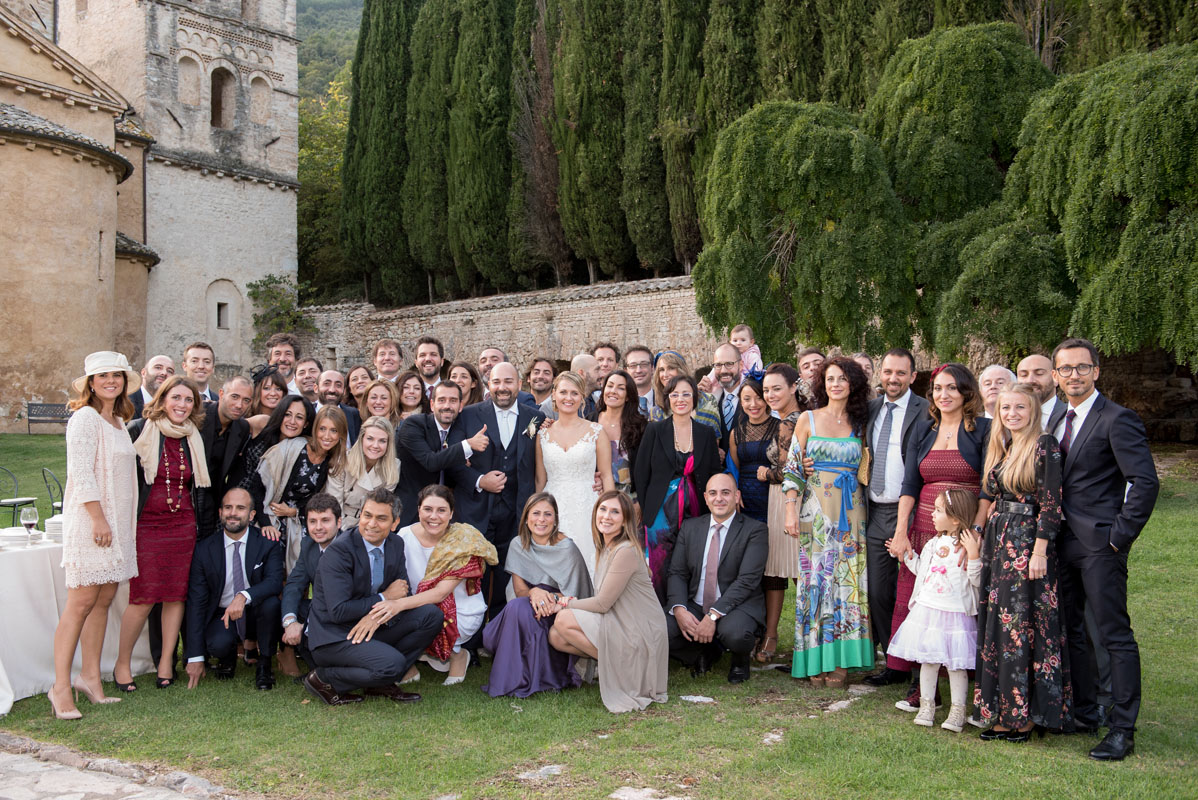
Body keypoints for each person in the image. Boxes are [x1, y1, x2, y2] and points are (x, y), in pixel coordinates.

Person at [1051, 338, 1158, 761]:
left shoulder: (1118, 419)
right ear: (1056, 376)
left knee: (1113, 635)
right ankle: (1085, 711)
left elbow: (1145, 482)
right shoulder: (1057, 419)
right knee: (1073, 630)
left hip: (1100, 544)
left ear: (1096, 371)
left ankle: (1122, 728)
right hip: (1060, 542)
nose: (1073, 375)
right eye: (1066, 369)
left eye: (1081, 368)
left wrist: (1118, 537)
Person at [885, 363, 990, 711]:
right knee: (922, 607)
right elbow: (910, 484)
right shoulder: (923, 429)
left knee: (960, 606)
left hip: (966, 531)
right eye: (938, 389)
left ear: (966, 393)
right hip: (925, 528)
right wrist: (902, 532)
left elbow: (989, 488)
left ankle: (969, 687)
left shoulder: (983, 430)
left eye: (952, 389)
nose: (943, 395)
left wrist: (973, 533)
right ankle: (923, 686)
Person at [973, 383, 1071, 741]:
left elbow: (1051, 504)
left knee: (1021, 628)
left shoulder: (1044, 445)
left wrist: (1040, 551)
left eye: (1020, 408)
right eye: (1005, 408)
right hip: (1000, 544)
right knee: (1000, 626)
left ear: (1033, 412)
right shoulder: (1004, 446)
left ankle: (1024, 716)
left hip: (1028, 545)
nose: (1012, 414)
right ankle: (1003, 709)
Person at [49, 352, 141, 719]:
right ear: (90, 382)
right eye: (101, 376)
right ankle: (60, 688)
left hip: (116, 525)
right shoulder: (84, 419)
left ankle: (90, 678)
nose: (109, 381)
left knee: (103, 600)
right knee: (81, 603)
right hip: (92, 522)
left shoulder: (117, 420)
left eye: (115, 375)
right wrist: (98, 519)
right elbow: (82, 474)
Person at [302, 488, 442, 706]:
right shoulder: (339, 552)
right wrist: (383, 598)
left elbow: (402, 591)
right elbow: (339, 611)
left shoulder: (396, 544)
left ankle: (379, 683)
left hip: (371, 626)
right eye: (367, 515)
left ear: (394, 523)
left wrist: (375, 616)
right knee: (393, 665)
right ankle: (324, 679)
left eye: (381, 518)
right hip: (335, 636)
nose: (371, 524)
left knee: (430, 615)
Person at [782, 356, 873, 688]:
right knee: (815, 584)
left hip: (851, 514)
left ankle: (842, 663)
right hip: (814, 512)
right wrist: (790, 509)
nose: (836, 384)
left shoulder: (862, 423)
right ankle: (816, 659)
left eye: (843, 379)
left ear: (854, 385)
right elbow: (792, 469)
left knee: (847, 584)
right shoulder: (807, 419)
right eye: (831, 378)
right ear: (823, 383)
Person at [116, 375, 210, 690]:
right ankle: (122, 663)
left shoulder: (192, 436)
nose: (181, 405)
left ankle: (167, 660)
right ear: (162, 399)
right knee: (142, 597)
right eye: (176, 398)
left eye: (188, 400)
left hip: (182, 525)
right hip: (146, 525)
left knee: (174, 595)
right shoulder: (139, 431)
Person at [549, 491, 668, 713]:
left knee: (564, 618)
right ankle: (620, 667)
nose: (607, 516)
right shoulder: (606, 548)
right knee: (556, 636)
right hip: (621, 621)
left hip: (640, 629)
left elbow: (603, 604)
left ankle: (627, 670)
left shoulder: (625, 551)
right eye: (603, 510)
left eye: (615, 512)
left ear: (625, 520)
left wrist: (565, 603)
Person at [456, 363, 546, 618]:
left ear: (519, 384)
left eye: (508, 381)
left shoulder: (535, 418)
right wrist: (479, 480)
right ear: (488, 385)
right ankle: (471, 633)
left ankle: (498, 624)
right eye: (496, 382)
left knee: (508, 568)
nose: (502, 388)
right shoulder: (469, 415)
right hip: (478, 507)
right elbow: (452, 461)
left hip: (516, 508)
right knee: (474, 570)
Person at [862, 349, 930, 688]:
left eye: (900, 373)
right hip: (875, 511)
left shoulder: (925, 411)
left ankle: (921, 664)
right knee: (878, 591)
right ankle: (894, 661)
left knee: (915, 590)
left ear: (912, 376)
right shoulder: (871, 409)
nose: (893, 378)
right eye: (888, 371)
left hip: (914, 511)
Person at [887, 489, 982, 732]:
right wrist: (906, 556)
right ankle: (927, 705)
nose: (932, 513)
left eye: (938, 510)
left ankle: (958, 710)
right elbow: (922, 570)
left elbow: (977, 580)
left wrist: (973, 555)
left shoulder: (967, 546)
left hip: (956, 614)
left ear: (956, 519)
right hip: (928, 611)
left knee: (955, 665)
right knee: (928, 661)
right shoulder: (932, 543)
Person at [482, 493, 594, 698]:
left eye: (547, 514)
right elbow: (520, 591)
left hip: (559, 609)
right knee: (516, 611)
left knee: (520, 611)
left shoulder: (567, 548)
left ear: (555, 520)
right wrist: (534, 592)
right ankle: (527, 679)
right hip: (530, 601)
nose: (541, 519)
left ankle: (521, 681)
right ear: (526, 518)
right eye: (536, 513)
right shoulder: (518, 544)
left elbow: (576, 593)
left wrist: (548, 600)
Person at [666, 474, 768, 684]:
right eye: (713, 493)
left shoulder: (755, 531)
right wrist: (679, 609)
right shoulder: (690, 527)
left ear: (737, 496)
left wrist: (713, 616)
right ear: (705, 497)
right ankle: (703, 652)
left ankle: (740, 659)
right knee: (659, 630)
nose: (719, 498)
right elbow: (677, 572)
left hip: (735, 605)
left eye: (726, 493)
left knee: (736, 634)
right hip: (696, 602)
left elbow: (747, 580)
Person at [392, 485, 497, 685]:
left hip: (459, 611)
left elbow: (440, 594)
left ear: (451, 513)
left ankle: (458, 655)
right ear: (418, 509)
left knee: (414, 616)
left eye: (441, 510)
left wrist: (397, 606)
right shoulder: (403, 536)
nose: (434, 516)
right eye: (428, 509)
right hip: (418, 605)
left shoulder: (463, 541)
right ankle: (409, 665)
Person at [182, 488, 284, 690]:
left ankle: (264, 664)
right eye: (228, 507)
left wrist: (244, 596)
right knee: (218, 644)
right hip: (223, 614)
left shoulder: (267, 543)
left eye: (240, 508)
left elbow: (274, 581)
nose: (233, 513)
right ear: (220, 512)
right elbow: (196, 603)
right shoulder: (204, 549)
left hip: (255, 611)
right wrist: (194, 656)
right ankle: (226, 657)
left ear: (252, 515)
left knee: (272, 604)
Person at [633, 374, 720, 602]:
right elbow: (641, 473)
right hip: (659, 510)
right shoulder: (654, 430)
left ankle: (686, 609)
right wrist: (645, 506)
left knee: (692, 559)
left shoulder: (706, 433)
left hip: (696, 510)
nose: (680, 399)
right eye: (674, 394)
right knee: (659, 563)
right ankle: (659, 612)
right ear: (667, 399)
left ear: (695, 398)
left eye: (686, 394)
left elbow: (713, 474)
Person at [535, 372, 615, 576]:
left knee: (589, 565)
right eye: (563, 392)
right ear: (554, 395)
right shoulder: (542, 434)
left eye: (574, 393)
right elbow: (540, 480)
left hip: (587, 507)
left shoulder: (596, 432)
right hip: (553, 507)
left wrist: (612, 513)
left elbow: (606, 476)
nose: (568, 398)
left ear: (581, 398)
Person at [259, 403, 347, 570]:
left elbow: (317, 500)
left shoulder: (332, 462)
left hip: (299, 520)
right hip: (270, 515)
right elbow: (258, 487)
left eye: (334, 431)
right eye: (322, 429)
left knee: (307, 559)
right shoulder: (294, 448)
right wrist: (266, 523)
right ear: (315, 429)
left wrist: (295, 512)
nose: (327, 436)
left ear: (341, 434)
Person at [757, 363, 804, 663]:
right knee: (776, 568)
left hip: (792, 498)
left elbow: (789, 470)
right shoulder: (783, 419)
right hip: (779, 500)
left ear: (793, 388)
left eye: (777, 388)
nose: (770, 394)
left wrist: (766, 474)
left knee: (799, 570)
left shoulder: (794, 421)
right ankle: (777, 636)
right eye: (766, 390)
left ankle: (785, 638)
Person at [395, 381, 489, 526]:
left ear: (461, 406)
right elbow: (430, 462)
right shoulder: (413, 425)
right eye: (441, 400)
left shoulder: (460, 431)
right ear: (432, 405)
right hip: (411, 514)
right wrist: (467, 446)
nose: (447, 406)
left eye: (453, 401)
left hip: (449, 515)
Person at [279, 492, 342, 676]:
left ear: (338, 523)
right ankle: (316, 668)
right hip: (321, 610)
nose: (318, 527)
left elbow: (338, 601)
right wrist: (290, 622)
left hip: (345, 615)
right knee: (288, 606)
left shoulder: (350, 547)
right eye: (313, 521)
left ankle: (332, 668)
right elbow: (294, 585)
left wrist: (305, 625)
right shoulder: (309, 545)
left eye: (325, 520)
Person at [195, 376, 252, 540]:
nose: (239, 405)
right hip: (186, 497)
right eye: (235, 397)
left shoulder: (242, 427)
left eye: (246, 400)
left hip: (211, 503)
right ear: (221, 394)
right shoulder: (198, 413)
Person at [328, 416, 400, 530]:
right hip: (338, 522)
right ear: (362, 439)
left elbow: (381, 505)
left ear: (389, 444)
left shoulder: (394, 466)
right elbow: (333, 503)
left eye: (382, 441)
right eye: (370, 439)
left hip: (369, 525)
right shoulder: (342, 461)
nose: (375, 445)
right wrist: (343, 534)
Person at [591, 369, 646, 502]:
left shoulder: (640, 426)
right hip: (596, 496)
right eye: (609, 386)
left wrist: (640, 503)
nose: (613, 391)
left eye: (621, 388)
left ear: (628, 396)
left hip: (631, 499)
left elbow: (646, 469)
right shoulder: (589, 422)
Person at [728, 378, 775, 526]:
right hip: (744, 502)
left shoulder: (780, 428)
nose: (753, 404)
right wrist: (734, 493)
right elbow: (735, 469)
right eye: (747, 399)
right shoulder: (735, 433)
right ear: (741, 403)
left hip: (772, 497)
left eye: (759, 398)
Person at [698, 342, 745, 452]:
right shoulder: (710, 401)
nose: (723, 370)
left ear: (741, 365)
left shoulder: (756, 398)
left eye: (729, 364)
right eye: (718, 365)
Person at [1016, 354, 1068, 434]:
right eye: (1024, 375)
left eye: (1039, 374)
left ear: (1055, 378)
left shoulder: (1069, 417)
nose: (1030, 380)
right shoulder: (1008, 418)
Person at [539, 353, 600, 420]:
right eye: (597, 370)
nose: (601, 374)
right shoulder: (548, 408)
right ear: (581, 373)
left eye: (575, 393)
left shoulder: (598, 401)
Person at [316, 369, 361, 445]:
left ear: (344, 391)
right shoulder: (308, 413)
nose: (332, 390)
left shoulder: (353, 414)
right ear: (316, 388)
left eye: (338, 385)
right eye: (327, 384)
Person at [623, 345, 655, 417]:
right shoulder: (619, 404)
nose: (638, 370)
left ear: (652, 368)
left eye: (644, 364)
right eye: (633, 366)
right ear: (626, 371)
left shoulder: (665, 401)